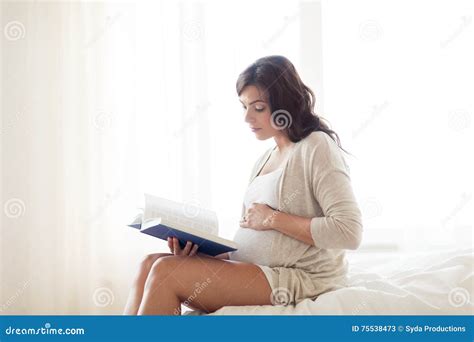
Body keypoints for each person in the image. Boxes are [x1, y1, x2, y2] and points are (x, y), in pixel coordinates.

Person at [123, 55, 363, 315]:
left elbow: (349, 232)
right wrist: (202, 255)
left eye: (258, 108)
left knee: (165, 273)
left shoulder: (316, 146)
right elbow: (253, 239)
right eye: (244, 107)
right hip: (256, 269)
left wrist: (272, 219)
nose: (248, 118)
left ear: (285, 104)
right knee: (150, 263)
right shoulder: (265, 159)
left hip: (300, 277)